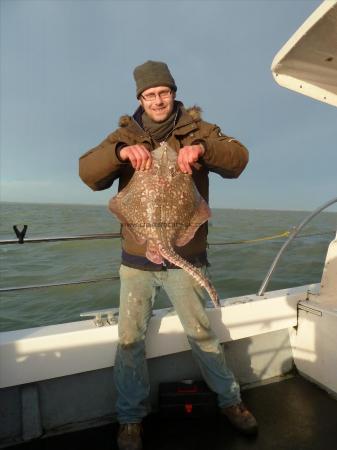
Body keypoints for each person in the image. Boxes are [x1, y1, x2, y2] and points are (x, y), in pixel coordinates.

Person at [79, 60, 257, 450]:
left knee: (201, 332)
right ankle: (130, 420)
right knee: (129, 340)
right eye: (149, 94)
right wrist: (121, 153)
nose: (157, 100)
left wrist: (203, 149)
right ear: (140, 98)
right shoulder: (124, 133)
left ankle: (231, 401)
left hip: (185, 255)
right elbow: (88, 173)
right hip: (137, 259)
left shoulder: (198, 128)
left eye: (163, 92)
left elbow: (239, 158)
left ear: (173, 93)